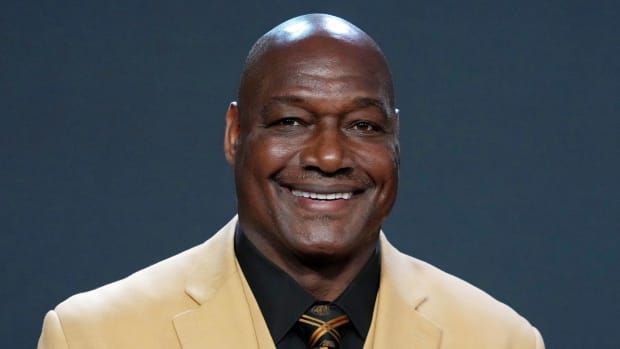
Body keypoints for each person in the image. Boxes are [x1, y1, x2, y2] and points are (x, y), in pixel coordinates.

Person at [37, 13, 544, 349]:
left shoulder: (499, 339)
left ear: (395, 140)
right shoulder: (94, 336)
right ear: (235, 134)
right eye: (290, 122)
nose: (328, 156)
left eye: (363, 126)